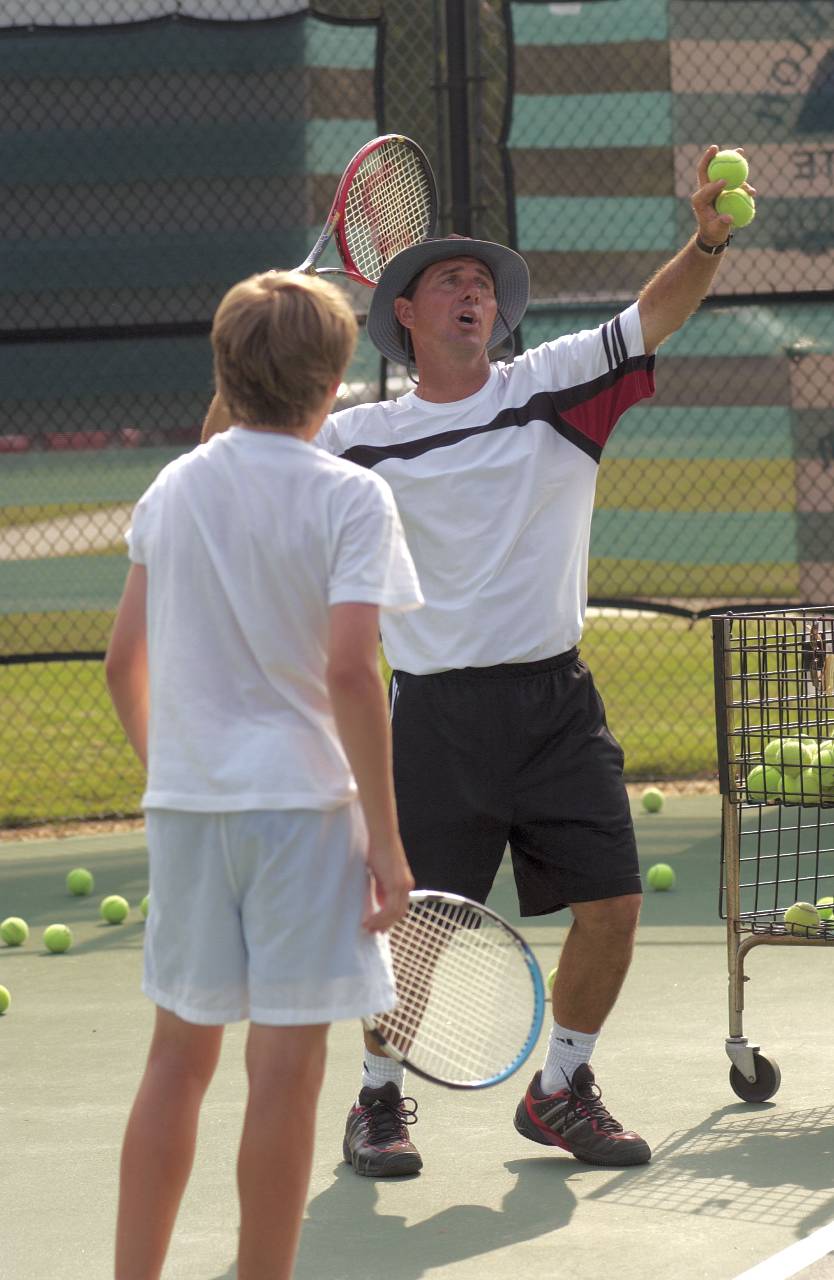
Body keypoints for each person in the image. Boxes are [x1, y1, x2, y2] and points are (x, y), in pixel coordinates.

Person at [202, 145, 754, 1177]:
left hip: (557, 703)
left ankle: (560, 1090)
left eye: (484, 282)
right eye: (450, 278)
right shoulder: (357, 436)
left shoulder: (554, 386)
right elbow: (232, 453)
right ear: (403, 312)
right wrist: (256, 336)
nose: (475, 290)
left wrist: (709, 240)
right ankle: (377, 1102)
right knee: (409, 932)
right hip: (433, 718)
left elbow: (655, 313)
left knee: (616, 903)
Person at [105, 269, 423, 1279]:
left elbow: (123, 663)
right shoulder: (354, 497)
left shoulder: (174, 485)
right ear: (334, 382)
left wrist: (182, 772)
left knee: (175, 1060)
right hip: (302, 813)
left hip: (192, 809)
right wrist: (387, 836)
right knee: (284, 1071)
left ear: (224, 369)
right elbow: (349, 672)